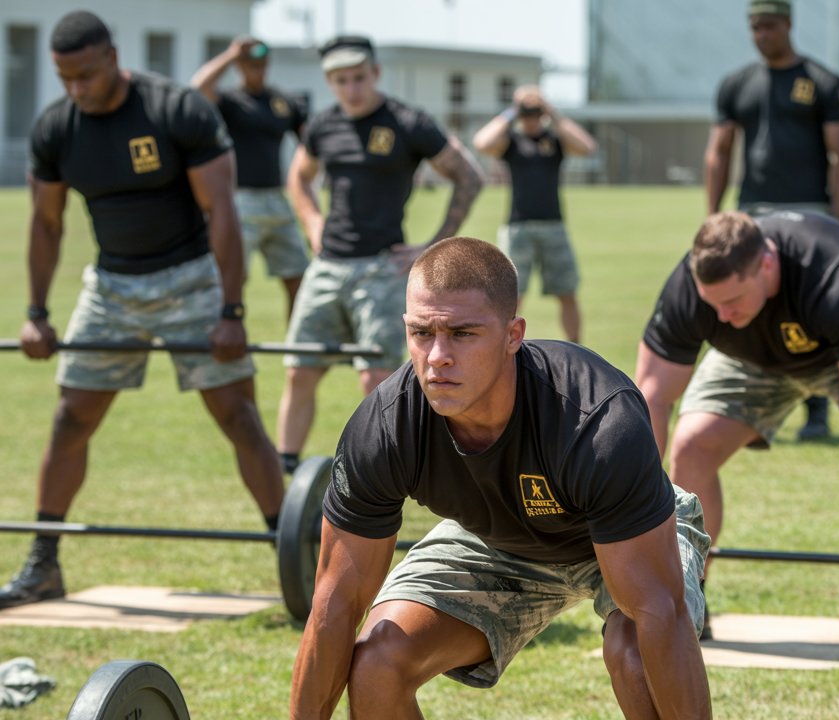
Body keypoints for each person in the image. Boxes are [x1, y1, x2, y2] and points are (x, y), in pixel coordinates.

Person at [266, 236, 730, 720]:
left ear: (513, 335)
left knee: (633, 654)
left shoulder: (597, 419)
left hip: (624, 532)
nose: (436, 356)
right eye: (421, 333)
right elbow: (335, 601)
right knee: (377, 658)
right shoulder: (387, 423)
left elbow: (657, 613)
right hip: (496, 537)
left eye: (462, 334)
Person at [0, 10, 283, 610]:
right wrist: (36, 312)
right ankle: (43, 565)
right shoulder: (56, 128)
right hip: (110, 287)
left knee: (238, 416)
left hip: (190, 280)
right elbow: (46, 224)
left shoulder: (175, 110)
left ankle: (292, 558)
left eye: (84, 74)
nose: (75, 88)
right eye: (63, 77)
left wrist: (231, 310)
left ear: (111, 57)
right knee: (70, 418)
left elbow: (223, 214)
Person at [634, 210, 839, 658]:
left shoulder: (835, 278)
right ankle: (690, 594)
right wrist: (637, 510)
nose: (720, 315)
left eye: (731, 301)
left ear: (767, 266)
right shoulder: (697, 293)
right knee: (692, 445)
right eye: (712, 305)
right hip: (754, 353)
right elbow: (652, 400)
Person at [275, 35, 483, 476]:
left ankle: (378, 472)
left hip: (383, 268)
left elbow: (468, 176)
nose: (351, 88)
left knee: (376, 379)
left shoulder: (409, 122)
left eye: (358, 78)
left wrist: (435, 244)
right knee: (299, 370)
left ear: (376, 74)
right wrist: (312, 221)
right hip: (328, 267)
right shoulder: (323, 125)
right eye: (340, 80)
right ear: (330, 82)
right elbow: (299, 177)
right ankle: (287, 470)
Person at [704, 0, 839, 442]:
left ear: (788, 24)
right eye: (754, 27)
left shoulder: (823, 82)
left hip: (810, 209)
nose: (761, 34)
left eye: (768, 25)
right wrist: (714, 216)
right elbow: (720, 152)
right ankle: (750, 412)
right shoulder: (737, 84)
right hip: (753, 210)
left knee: (810, 305)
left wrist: (837, 220)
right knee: (748, 310)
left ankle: (818, 409)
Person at [191, 36, 310, 324]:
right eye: (250, 65)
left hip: (277, 199)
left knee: (298, 276)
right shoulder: (230, 101)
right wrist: (231, 54)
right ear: (239, 67)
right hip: (241, 199)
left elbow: (310, 141)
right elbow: (198, 88)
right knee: (233, 275)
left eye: (261, 65)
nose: (257, 71)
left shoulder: (282, 101)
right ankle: (229, 328)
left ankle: (296, 341)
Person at [472, 85, 597, 344]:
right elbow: (481, 142)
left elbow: (587, 146)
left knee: (567, 292)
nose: (530, 117)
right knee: (512, 295)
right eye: (526, 112)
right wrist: (512, 112)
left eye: (535, 111)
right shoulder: (512, 142)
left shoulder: (555, 140)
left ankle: (577, 349)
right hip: (518, 227)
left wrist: (553, 112)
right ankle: (506, 347)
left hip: (554, 225)